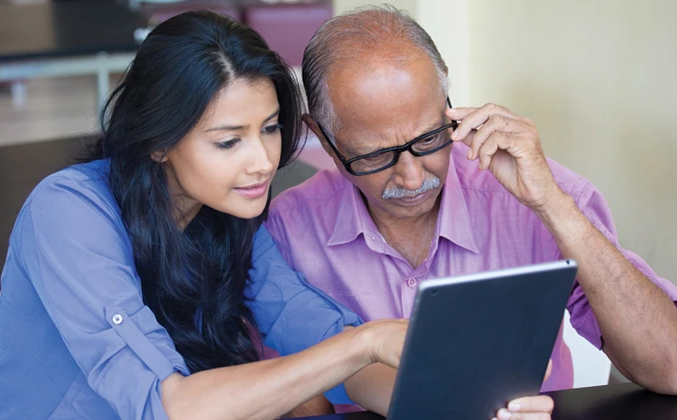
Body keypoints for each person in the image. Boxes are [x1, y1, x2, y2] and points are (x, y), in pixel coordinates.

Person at [0, 11, 414, 420]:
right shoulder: (68, 212)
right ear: (158, 141)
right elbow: (167, 406)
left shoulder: (228, 219)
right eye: (228, 141)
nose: (262, 161)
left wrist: (450, 403)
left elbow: (314, 328)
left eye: (270, 128)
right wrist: (362, 342)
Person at [265, 4, 677, 416]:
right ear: (322, 136)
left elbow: (670, 367)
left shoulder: (534, 193)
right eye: (375, 156)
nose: (411, 177)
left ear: (449, 105)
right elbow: (295, 398)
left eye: (429, 139)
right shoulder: (287, 231)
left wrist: (552, 205)